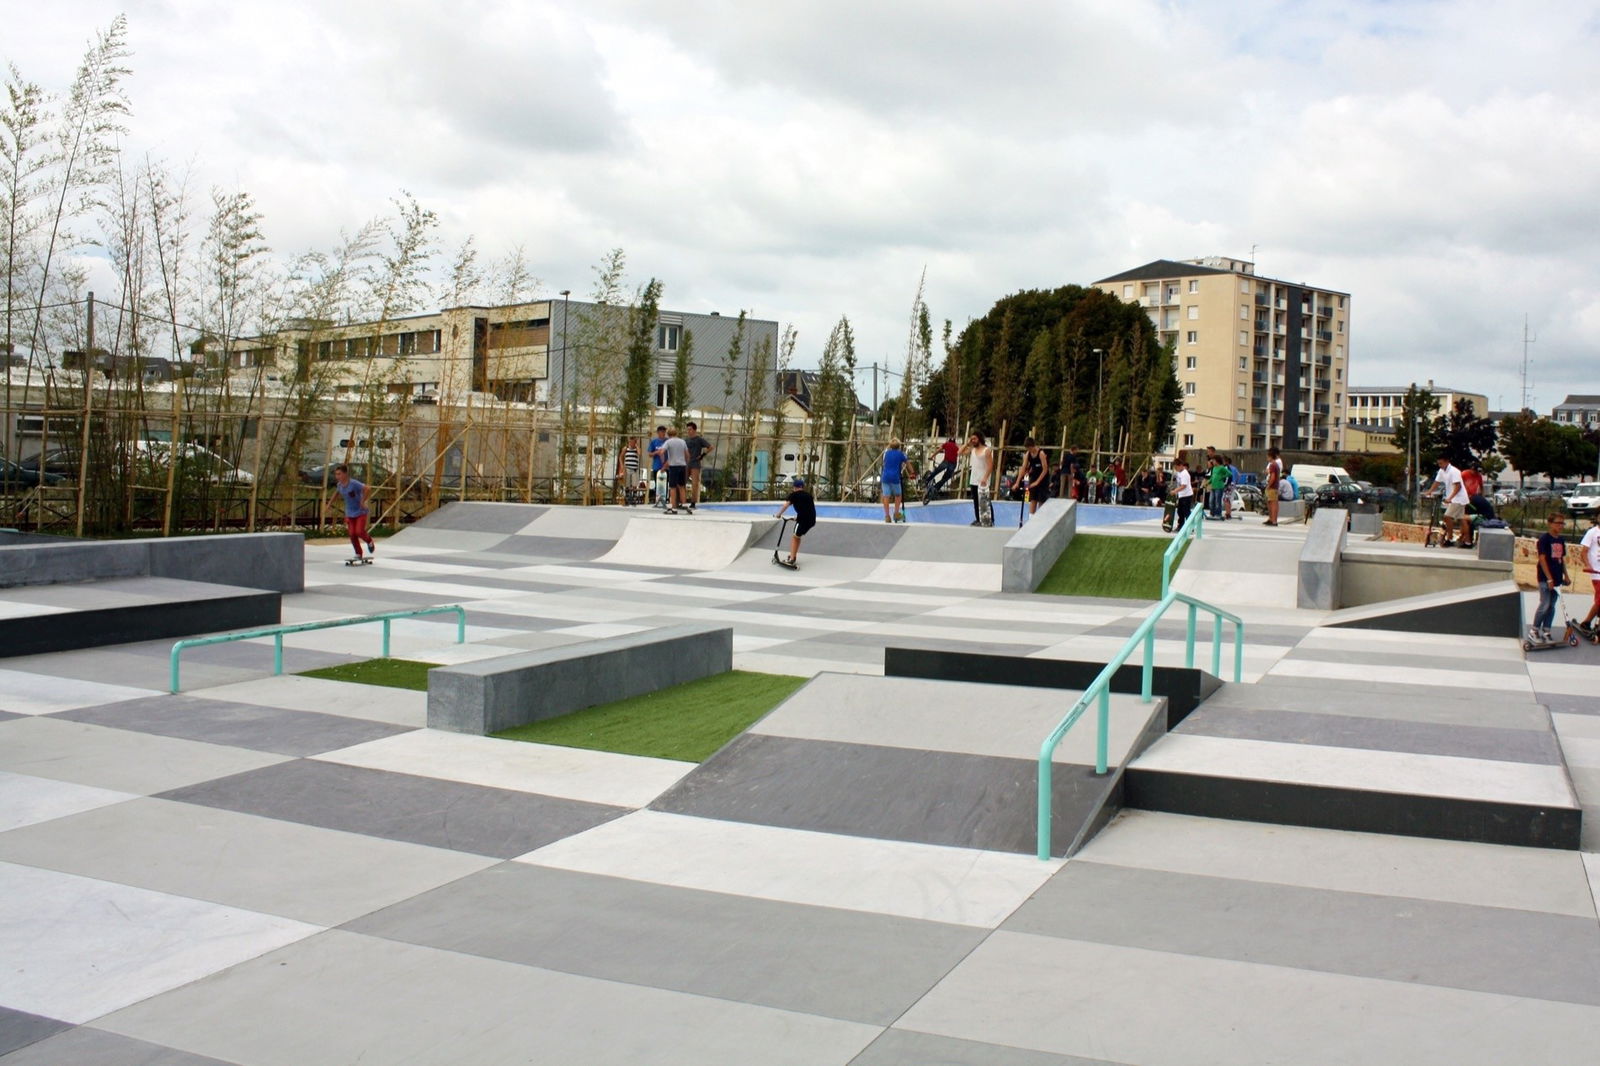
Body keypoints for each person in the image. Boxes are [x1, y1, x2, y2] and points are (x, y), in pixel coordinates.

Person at [1532, 511, 1570, 643]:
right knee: (1545, 604)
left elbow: (1561, 559)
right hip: (1545, 578)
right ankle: (1534, 630)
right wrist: (1549, 578)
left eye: (1562, 523)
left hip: (1557, 578)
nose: (1560, 526)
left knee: (1552, 606)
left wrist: (1566, 575)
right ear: (1550, 523)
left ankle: (1546, 631)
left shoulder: (1560, 540)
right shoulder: (1544, 539)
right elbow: (1542, 559)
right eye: (1558, 523)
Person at [327, 463, 375, 562]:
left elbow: (367, 488)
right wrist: (329, 504)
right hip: (349, 513)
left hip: (360, 511)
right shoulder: (339, 485)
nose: (337, 476)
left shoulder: (353, 483)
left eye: (339, 474)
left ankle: (369, 541)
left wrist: (362, 501)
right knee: (352, 534)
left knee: (359, 531)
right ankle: (358, 553)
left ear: (345, 474)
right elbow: (336, 493)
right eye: (336, 474)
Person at [1424, 455, 1471, 547]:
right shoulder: (1442, 471)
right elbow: (1437, 482)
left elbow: (1458, 486)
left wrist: (1450, 498)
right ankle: (1468, 542)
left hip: (1459, 498)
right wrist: (1430, 491)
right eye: (1438, 463)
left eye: (1441, 463)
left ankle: (1449, 538)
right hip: (1455, 499)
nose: (1440, 465)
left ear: (1447, 462)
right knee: (1461, 519)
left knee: (1447, 516)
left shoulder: (1454, 471)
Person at [774, 476, 817, 567]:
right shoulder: (808, 495)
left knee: (795, 537)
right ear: (802, 487)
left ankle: (792, 559)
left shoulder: (794, 495)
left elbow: (786, 505)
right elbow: (807, 509)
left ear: (794, 487)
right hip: (811, 520)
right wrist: (797, 517)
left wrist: (778, 514)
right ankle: (793, 555)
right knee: (797, 536)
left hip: (803, 520)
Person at [1011, 437, 1051, 517]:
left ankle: (1040, 517)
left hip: (1043, 478)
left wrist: (1037, 482)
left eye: (1030, 448)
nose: (1029, 450)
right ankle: (1031, 517)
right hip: (1034, 476)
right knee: (1033, 499)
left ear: (1033, 446)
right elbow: (1023, 468)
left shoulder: (1041, 453)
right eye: (1027, 449)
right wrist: (1017, 482)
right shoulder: (1028, 454)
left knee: (1041, 499)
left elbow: (1045, 469)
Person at [960, 432, 993, 525]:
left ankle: (990, 519)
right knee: (976, 501)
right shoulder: (972, 449)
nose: (973, 441)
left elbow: (990, 466)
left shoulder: (986, 450)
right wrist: (967, 443)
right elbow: (960, 452)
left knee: (985, 500)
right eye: (972, 439)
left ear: (979, 439)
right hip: (974, 479)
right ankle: (978, 519)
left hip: (983, 480)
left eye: (974, 439)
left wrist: (985, 478)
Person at [659, 426, 690, 514]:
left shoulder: (668, 442)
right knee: (682, 486)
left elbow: (661, 452)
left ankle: (674, 508)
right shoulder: (682, 441)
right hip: (682, 465)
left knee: (673, 487)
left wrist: (663, 461)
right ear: (676, 433)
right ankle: (684, 504)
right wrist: (685, 462)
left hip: (673, 466)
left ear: (668, 434)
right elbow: (687, 454)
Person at [683, 421, 713, 510]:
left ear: (694, 430)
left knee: (694, 483)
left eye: (690, 429)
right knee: (682, 482)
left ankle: (693, 502)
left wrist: (702, 455)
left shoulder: (699, 439)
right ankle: (682, 500)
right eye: (687, 430)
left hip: (695, 463)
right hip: (686, 463)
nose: (688, 431)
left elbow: (710, 447)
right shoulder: (686, 440)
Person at [1579, 512, 1600, 634]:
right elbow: (1584, 552)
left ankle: (1588, 623)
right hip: (1597, 571)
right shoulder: (1592, 532)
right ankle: (1587, 622)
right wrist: (1588, 565)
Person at [880, 438, 910, 522]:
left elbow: (884, 463)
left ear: (890, 446)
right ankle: (896, 514)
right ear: (899, 446)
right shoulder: (901, 454)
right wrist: (912, 473)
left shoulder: (886, 453)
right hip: (895, 477)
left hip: (885, 477)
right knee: (898, 495)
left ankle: (887, 516)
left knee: (886, 496)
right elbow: (908, 463)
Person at [922, 437, 959, 501]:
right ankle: (936, 488)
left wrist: (932, 456)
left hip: (946, 462)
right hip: (953, 464)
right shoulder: (956, 447)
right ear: (954, 442)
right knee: (945, 478)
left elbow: (938, 450)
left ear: (949, 441)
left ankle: (926, 481)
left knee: (936, 471)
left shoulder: (946, 444)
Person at [647, 426, 668, 507]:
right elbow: (649, 454)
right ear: (658, 432)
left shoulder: (667, 441)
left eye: (664, 432)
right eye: (661, 432)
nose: (663, 433)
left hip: (666, 466)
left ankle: (665, 500)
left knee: (665, 484)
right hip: (657, 466)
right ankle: (658, 500)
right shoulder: (654, 442)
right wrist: (656, 452)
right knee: (658, 484)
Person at [1207, 454, 1231, 520]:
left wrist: (1222, 477)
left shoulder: (1221, 467)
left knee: (1217, 501)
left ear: (1217, 461)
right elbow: (1213, 477)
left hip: (1219, 486)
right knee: (1211, 501)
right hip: (1213, 486)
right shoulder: (1214, 468)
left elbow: (1229, 473)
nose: (1212, 462)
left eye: (1213, 461)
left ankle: (1218, 514)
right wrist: (1208, 482)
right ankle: (1212, 513)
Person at [617, 437, 641, 504]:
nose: (631, 443)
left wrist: (637, 446)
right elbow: (620, 457)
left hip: (634, 468)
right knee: (627, 483)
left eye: (633, 442)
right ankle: (627, 497)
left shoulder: (636, 449)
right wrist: (622, 465)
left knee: (634, 484)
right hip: (627, 468)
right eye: (630, 442)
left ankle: (634, 497)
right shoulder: (626, 448)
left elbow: (639, 453)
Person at [1172, 457, 1195, 529]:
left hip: (1187, 495)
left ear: (1181, 465)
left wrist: (1175, 491)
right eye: (1174, 468)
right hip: (1181, 495)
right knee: (1180, 511)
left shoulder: (1185, 474)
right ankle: (1181, 525)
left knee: (1186, 511)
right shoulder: (1179, 473)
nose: (1175, 469)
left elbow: (1184, 486)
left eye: (1176, 467)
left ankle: (1190, 527)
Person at [1263, 447, 1283, 526]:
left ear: (1271, 456)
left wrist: (1269, 485)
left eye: (1268, 456)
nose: (1267, 458)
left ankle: (1273, 520)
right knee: (1271, 502)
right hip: (1275, 486)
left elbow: (1273, 477)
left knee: (1273, 503)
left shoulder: (1273, 465)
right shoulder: (1276, 465)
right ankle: (1272, 519)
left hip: (1272, 487)